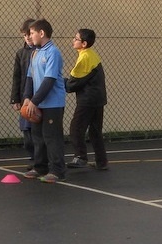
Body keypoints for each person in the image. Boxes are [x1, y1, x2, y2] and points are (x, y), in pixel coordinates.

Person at [21, 19, 66, 183]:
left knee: (52, 137)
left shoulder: (53, 53)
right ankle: (40, 167)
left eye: (32, 33)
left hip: (53, 103)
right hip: (37, 103)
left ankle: (57, 170)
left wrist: (34, 100)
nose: (30, 36)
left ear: (42, 33)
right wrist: (27, 98)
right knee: (37, 136)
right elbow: (30, 78)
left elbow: (49, 80)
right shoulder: (35, 53)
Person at [65, 28, 108, 170]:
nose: (73, 40)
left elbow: (74, 82)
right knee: (95, 131)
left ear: (83, 43)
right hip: (98, 98)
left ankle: (80, 157)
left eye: (76, 39)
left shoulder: (84, 57)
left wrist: (61, 82)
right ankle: (102, 162)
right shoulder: (92, 54)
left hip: (88, 100)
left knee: (76, 128)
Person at [10, 18, 36, 167]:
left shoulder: (41, 52)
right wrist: (15, 98)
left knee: (36, 130)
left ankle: (39, 159)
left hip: (36, 97)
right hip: (24, 97)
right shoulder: (21, 53)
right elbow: (16, 76)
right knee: (26, 129)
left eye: (29, 34)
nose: (27, 38)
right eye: (25, 36)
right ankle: (34, 155)